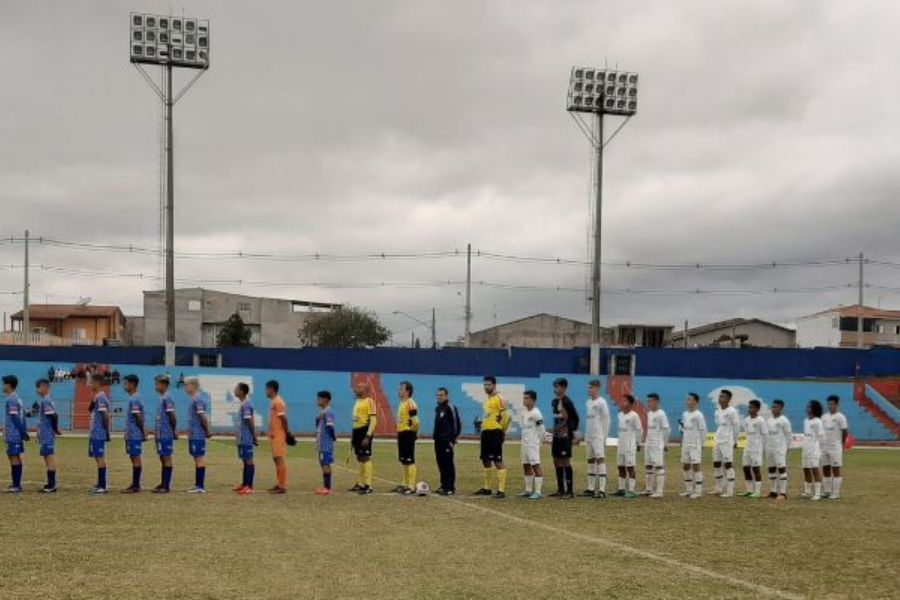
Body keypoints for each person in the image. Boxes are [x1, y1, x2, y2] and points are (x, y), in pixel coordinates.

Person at [473, 375, 509, 498]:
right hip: (486, 432)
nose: (486, 387)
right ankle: (487, 488)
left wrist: (502, 431)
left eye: (488, 384)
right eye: (485, 384)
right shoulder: (487, 400)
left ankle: (501, 490)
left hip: (495, 432)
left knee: (497, 460)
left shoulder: (500, 398)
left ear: (494, 385)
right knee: (485, 459)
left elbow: (506, 417)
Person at [549, 378, 579, 499]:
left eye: (558, 387)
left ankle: (570, 491)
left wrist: (570, 433)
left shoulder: (568, 402)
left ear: (563, 388)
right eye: (555, 387)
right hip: (556, 436)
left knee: (565, 461)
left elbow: (575, 419)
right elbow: (558, 419)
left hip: (565, 437)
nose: (556, 389)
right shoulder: (554, 402)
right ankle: (560, 490)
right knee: (556, 460)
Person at [583, 379, 610, 498]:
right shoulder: (588, 402)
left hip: (598, 436)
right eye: (588, 387)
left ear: (597, 388)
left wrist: (604, 436)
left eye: (591, 387)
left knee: (600, 459)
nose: (589, 389)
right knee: (590, 460)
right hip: (589, 436)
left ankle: (602, 489)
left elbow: (606, 419)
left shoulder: (602, 402)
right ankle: (590, 487)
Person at [265, 380, 294, 494]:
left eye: (266, 389)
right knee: (276, 459)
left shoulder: (278, 402)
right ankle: (279, 483)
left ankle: (282, 486)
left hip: (278, 435)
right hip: (274, 435)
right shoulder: (274, 402)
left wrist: (287, 433)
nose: (266, 391)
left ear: (271, 389)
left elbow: (283, 419)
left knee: (279, 459)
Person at [711, 389, 740, 498]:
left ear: (728, 399)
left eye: (722, 397)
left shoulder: (732, 411)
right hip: (717, 440)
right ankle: (718, 488)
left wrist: (735, 441)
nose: (720, 398)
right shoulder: (717, 411)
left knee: (728, 464)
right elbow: (718, 425)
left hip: (727, 441)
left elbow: (736, 427)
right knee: (716, 463)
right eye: (720, 396)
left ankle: (730, 491)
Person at [432, 387, 461, 496]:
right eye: (438, 395)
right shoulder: (438, 408)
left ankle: (450, 487)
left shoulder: (450, 407)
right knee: (441, 463)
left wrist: (452, 440)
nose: (439, 397)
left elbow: (456, 424)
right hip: (438, 441)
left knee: (448, 463)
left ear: (446, 396)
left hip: (447, 441)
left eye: (441, 395)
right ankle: (443, 485)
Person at [393, 381, 420, 495]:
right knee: (403, 460)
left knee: (409, 460)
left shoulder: (411, 403)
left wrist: (414, 433)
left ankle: (411, 486)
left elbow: (416, 421)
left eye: (401, 389)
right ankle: (405, 484)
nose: (399, 391)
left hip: (408, 433)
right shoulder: (402, 403)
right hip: (401, 433)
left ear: (407, 391)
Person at [350, 381, 377, 495]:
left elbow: (373, 420)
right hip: (357, 430)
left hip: (364, 431)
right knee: (359, 457)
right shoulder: (357, 401)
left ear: (366, 390)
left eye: (359, 387)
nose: (356, 389)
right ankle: (360, 483)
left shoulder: (369, 402)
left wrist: (368, 435)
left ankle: (368, 485)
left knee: (365, 457)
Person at [185, 377, 212, 493]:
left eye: (187, 385)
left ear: (193, 385)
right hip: (193, 434)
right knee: (196, 457)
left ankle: (200, 486)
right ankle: (197, 484)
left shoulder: (198, 399)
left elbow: (202, 416)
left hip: (198, 434)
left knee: (199, 457)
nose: (185, 387)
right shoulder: (193, 399)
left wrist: (207, 431)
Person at [613, 394, 643, 498]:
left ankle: (631, 490)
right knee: (620, 467)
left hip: (630, 445)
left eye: (625, 401)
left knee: (630, 467)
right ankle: (621, 489)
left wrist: (639, 443)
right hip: (621, 445)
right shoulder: (620, 415)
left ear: (630, 404)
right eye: (622, 401)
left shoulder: (634, 415)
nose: (622, 403)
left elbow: (639, 430)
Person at [35, 378, 61, 493]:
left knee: (49, 457)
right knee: (46, 456)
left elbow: (53, 416)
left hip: (47, 433)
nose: (37, 390)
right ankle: (50, 483)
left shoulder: (46, 400)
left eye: (38, 387)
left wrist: (55, 429)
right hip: (45, 433)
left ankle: (52, 485)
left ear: (44, 387)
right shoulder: (47, 400)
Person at [121, 374, 146, 494]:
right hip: (130, 434)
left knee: (135, 457)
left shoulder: (134, 398)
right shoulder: (133, 397)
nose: (124, 386)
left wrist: (142, 432)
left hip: (134, 434)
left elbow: (137, 416)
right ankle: (135, 483)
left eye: (126, 383)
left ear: (132, 384)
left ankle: (136, 485)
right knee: (133, 456)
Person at [519, 390, 545, 500]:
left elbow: (542, 430)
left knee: (535, 465)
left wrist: (539, 443)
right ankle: (528, 490)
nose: (524, 400)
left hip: (533, 444)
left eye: (526, 398)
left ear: (533, 400)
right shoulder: (524, 412)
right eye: (524, 398)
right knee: (526, 465)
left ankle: (538, 491)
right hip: (524, 443)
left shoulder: (536, 413)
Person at [821, 395, 849, 500]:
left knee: (836, 468)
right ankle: (827, 491)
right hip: (824, 446)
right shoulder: (824, 417)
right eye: (828, 404)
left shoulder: (840, 417)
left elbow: (845, 431)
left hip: (835, 446)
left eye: (832, 404)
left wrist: (841, 443)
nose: (830, 406)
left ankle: (836, 493)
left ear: (837, 404)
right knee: (826, 468)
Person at [153, 374, 177, 494]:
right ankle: (163, 483)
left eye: (157, 383)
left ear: (164, 385)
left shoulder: (167, 398)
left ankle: (166, 486)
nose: (156, 386)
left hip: (165, 434)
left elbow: (172, 416)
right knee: (162, 457)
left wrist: (173, 431)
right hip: (160, 434)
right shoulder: (162, 398)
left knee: (166, 457)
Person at [642, 393, 670, 498]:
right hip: (648, 443)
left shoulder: (661, 414)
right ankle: (649, 489)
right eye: (647, 401)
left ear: (656, 401)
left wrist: (665, 443)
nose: (648, 403)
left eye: (650, 401)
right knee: (648, 466)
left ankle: (659, 491)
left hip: (657, 443)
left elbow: (666, 429)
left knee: (659, 466)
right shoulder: (649, 413)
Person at [680, 392, 707, 499]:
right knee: (685, 465)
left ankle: (698, 491)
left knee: (696, 466)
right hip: (685, 443)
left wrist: (702, 444)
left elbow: (703, 430)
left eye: (690, 400)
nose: (688, 402)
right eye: (687, 399)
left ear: (696, 402)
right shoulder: (685, 414)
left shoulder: (698, 415)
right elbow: (682, 428)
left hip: (695, 444)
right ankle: (688, 489)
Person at [739, 399, 768, 499]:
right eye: (749, 407)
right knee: (746, 468)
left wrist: (762, 448)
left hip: (756, 448)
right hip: (747, 447)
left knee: (756, 469)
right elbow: (747, 434)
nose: (749, 409)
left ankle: (757, 491)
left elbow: (764, 435)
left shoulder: (760, 420)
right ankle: (749, 490)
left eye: (752, 407)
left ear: (757, 409)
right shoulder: (746, 420)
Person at [4, 375, 28, 493]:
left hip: (13, 433)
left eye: (4, 384)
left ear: (9, 385)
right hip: (16, 433)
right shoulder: (17, 398)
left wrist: (22, 432)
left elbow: (15, 417)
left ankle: (16, 485)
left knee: (13, 457)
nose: (3, 386)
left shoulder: (11, 399)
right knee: (14, 456)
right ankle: (16, 483)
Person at [88, 374, 111, 495]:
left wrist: (106, 431)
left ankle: (103, 485)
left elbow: (105, 416)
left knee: (100, 457)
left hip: (98, 432)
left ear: (97, 383)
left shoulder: (101, 397)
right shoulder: (96, 397)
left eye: (91, 382)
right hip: (94, 432)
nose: (89, 384)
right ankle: (100, 483)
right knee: (97, 457)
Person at [765, 399, 792, 499]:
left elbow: (789, 436)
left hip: (780, 449)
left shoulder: (784, 420)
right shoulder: (769, 420)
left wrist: (787, 448)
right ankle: (773, 492)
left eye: (775, 407)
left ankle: (783, 493)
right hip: (770, 448)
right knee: (771, 469)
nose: (773, 409)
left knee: (781, 469)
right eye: (772, 407)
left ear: (781, 408)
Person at [234, 382, 257, 496]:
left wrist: (253, 436)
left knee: (249, 460)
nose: (234, 390)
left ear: (242, 391)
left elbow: (250, 421)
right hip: (241, 438)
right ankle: (244, 484)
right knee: (244, 460)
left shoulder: (246, 404)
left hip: (246, 437)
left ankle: (249, 486)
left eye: (236, 388)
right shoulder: (242, 403)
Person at [802, 400, 825, 501]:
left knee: (815, 469)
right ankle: (807, 492)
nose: (808, 409)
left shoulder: (818, 421)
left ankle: (818, 493)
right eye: (807, 407)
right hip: (805, 448)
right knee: (806, 469)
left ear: (815, 409)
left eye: (810, 407)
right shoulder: (806, 421)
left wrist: (818, 448)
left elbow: (821, 437)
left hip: (814, 449)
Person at [314, 390, 336, 496]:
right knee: (323, 464)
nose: (317, 401)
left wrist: (332, 437)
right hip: (321, 443)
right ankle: (325, 486)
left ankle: (327, 487)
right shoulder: (323, 412)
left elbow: (330, 426)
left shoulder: (328, 412)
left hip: (325, 444)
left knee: (325, 464)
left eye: (319, 398)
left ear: (325, 400)